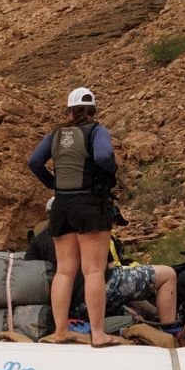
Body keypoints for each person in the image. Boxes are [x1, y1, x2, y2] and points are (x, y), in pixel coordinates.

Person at [27, 86, 120, 345]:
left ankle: (60, 331)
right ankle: (98, 334)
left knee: (65, 271)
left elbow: (34, 162)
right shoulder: (97, 130)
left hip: (61, 206)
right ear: (93, 110)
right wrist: (109, 174)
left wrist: (53, 184)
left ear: (69, 111)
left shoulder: (55, 134)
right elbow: (104, 154)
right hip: (89, 204)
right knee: (93, 271)